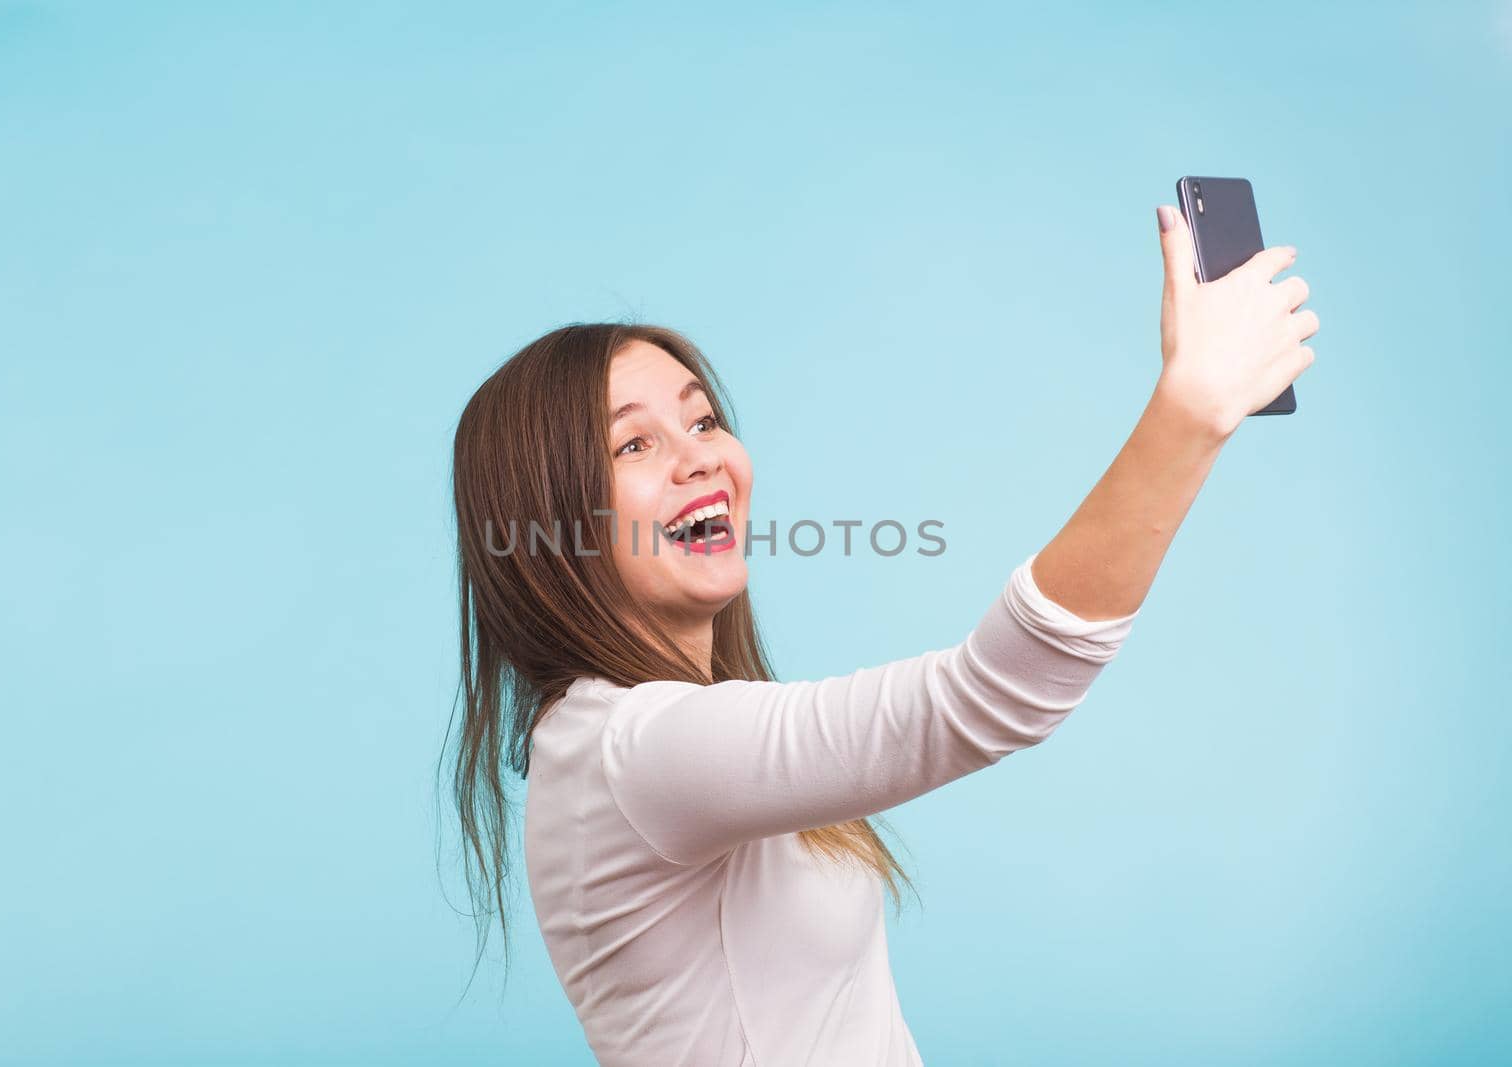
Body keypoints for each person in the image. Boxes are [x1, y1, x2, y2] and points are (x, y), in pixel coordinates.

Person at [442, 204, 1317, 1065]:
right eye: (634, 445)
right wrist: (1189, 415)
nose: (701, 455)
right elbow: (989, 695)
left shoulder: (653, 732)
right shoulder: (633, 750)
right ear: (552, 523)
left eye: (703, 420)